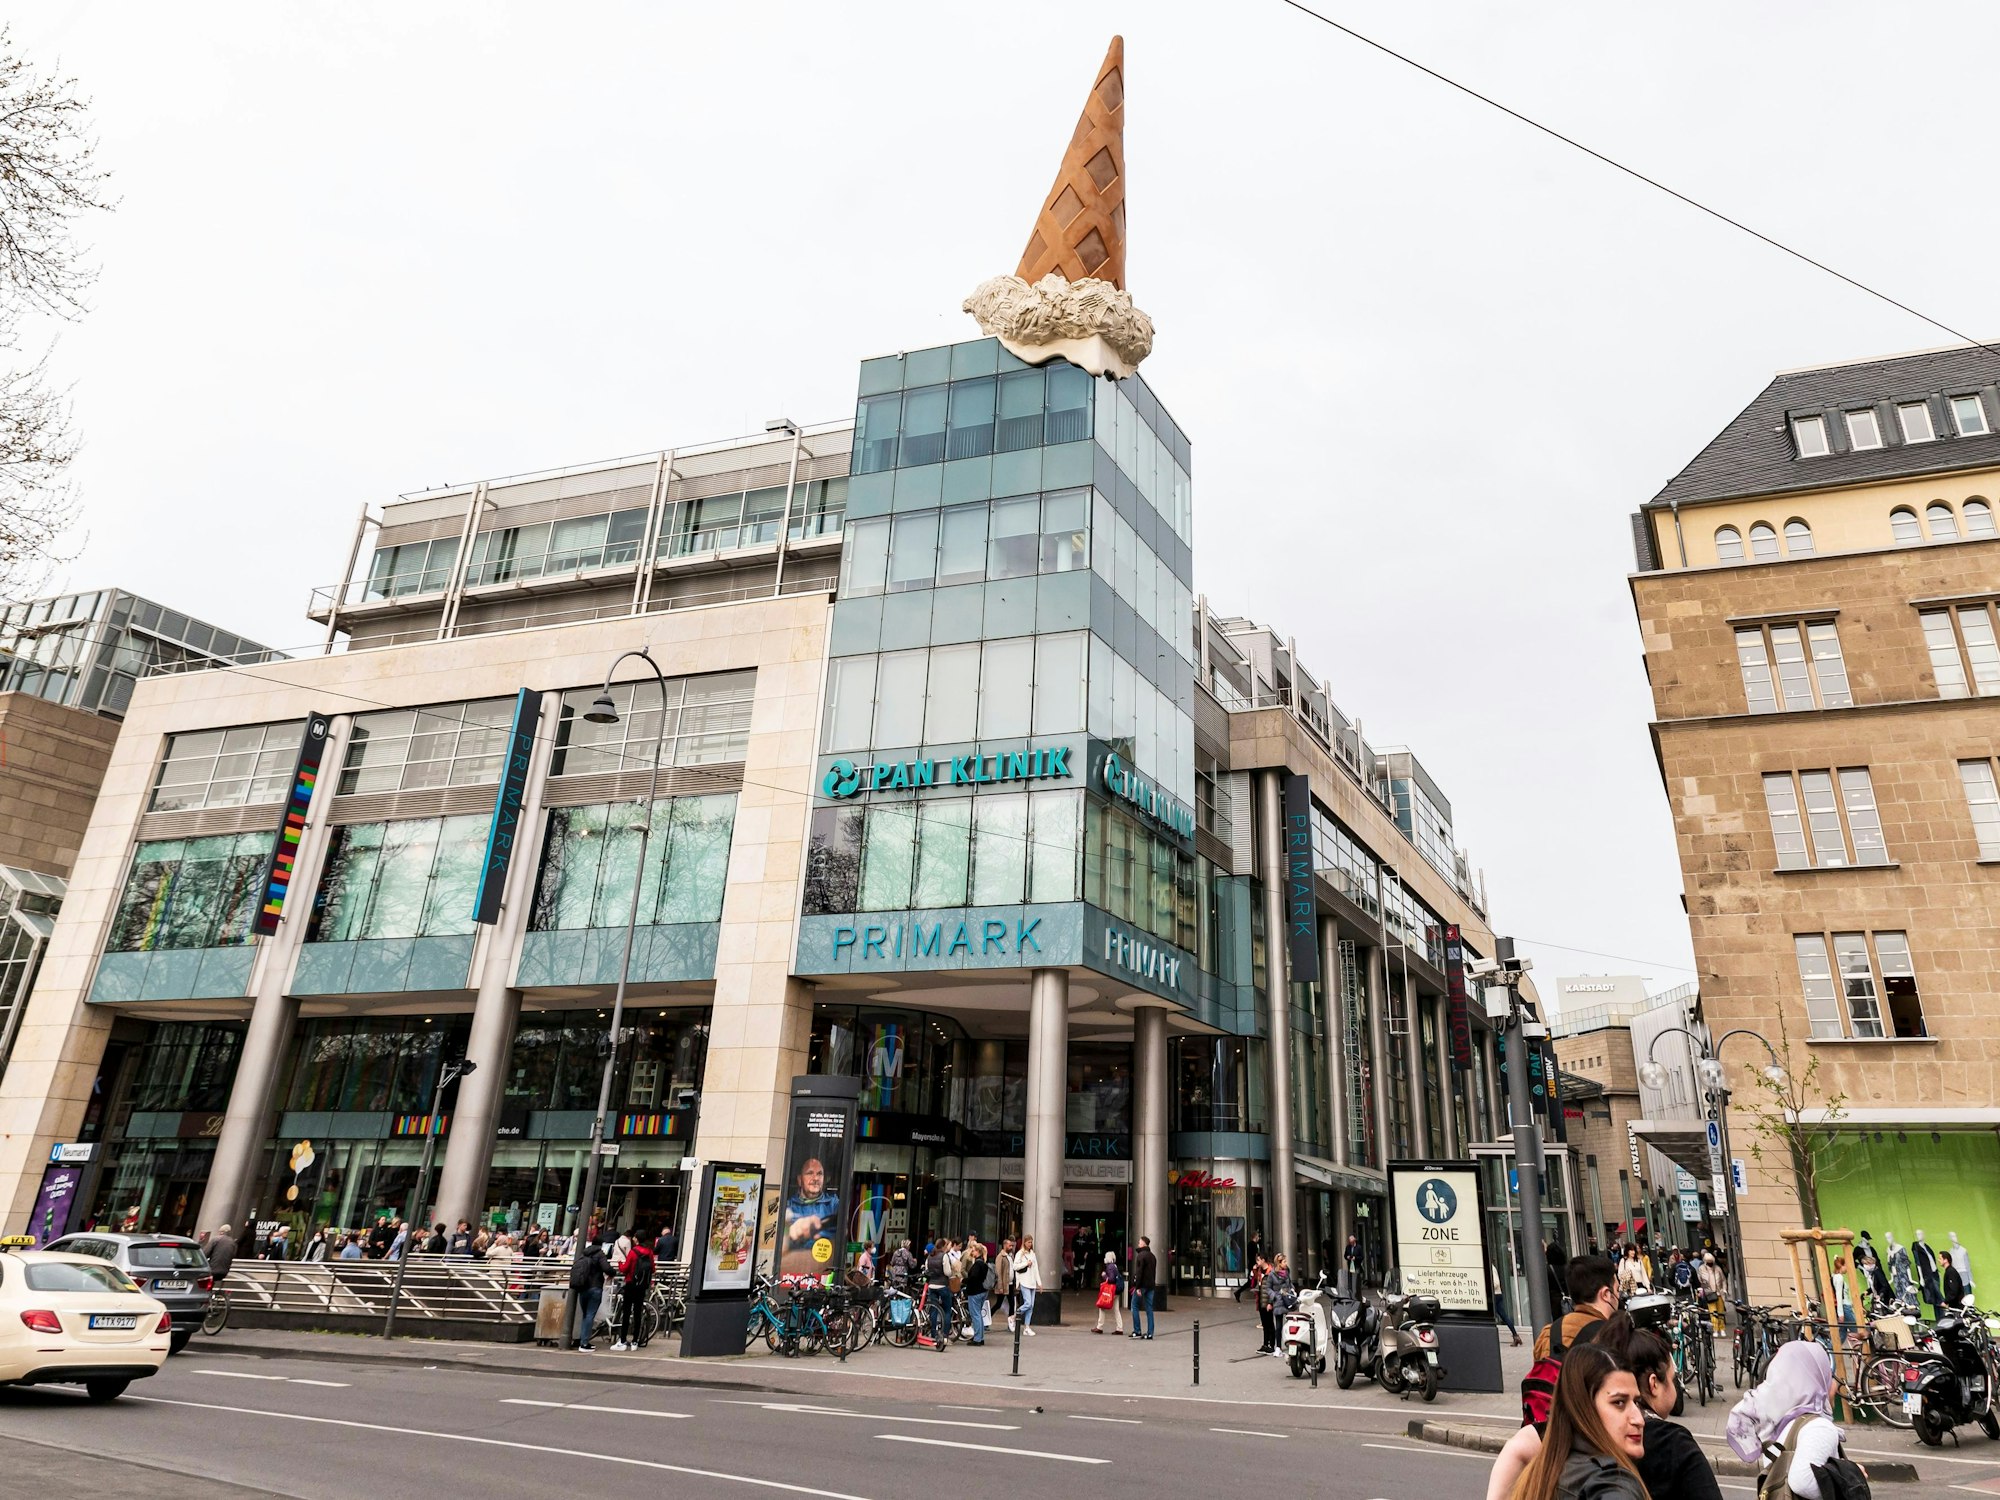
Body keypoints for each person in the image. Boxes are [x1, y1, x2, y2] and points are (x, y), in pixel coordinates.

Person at [1504, 1344, 1649, 1500]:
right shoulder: (1612, 1482)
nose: (1639, 1420)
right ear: (1583, 1408)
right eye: (1619, 1402)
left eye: (1637, 1403)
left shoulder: (1543, 1473)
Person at [1726, 1341, 1855, 1500]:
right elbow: (1802, 1483)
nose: (1835, 1384)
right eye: (1828, 1375)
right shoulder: (1819, 1428)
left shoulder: (1779, 1424)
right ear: (1816, 1381)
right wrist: (1849, 1479)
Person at [1535, 1254, 1622, 1360]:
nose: (1619, 1296)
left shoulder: (1548, 1334)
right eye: (1617, 1290)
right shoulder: (1615, 1337)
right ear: (1606, 1294)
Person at [613, 1230, 655, 1351]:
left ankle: (622, 1341)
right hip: (642, 1286)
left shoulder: (633, 1252)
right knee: (638, 1312)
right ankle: (635, 1342)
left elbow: (625, 1269)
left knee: (626, 1312)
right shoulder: (649, 1252)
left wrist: (620, 1263)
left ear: (636, 1239)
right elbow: (652, 1269)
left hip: (631, 1284)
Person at [570, 1234, 611, 1352]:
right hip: (595, 1287)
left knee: (585, 1315)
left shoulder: (584, 1253)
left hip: (583, 1287)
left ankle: (582, 1340)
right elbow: (606, 1268)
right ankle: (584, 1343)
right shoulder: (600, 1254)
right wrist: (613, 1273)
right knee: (590, 1315)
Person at [1262, 1253, 1296, 1357]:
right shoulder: (1272, 1274)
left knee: (1292, 1323)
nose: (1286, 1263)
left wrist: (1293, 1290)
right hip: (1278, 1301)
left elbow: (1289, 1283)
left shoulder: (1287, 1271)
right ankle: (1278, 1347)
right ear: (1279, 1263)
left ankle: (1292, 1345)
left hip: (1288, 1300)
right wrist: (1274, 1297)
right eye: (1284, 1261)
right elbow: (1268, 1288)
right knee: (1279, 1325)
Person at [923, 1239, 952, 1349]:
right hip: (942, 1285)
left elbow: (927, 1269)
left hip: (932, 1286)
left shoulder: (930, 1256)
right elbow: (947, 1272)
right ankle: (944, 1335)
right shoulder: (944, 1256)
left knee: (933, 1310)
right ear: (944, 1246)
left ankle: (933, 1333)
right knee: (947, 1310)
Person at [963, 1241, 991, 1346]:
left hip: (975, 1291)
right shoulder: (983, 1263)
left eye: (973, 1250)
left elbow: (973, 1277)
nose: (972, 1252)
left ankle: (978, 1338)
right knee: (978, 1314)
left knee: (975, 1315)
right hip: (982, 1290)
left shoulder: (977, 1264)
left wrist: (964, 1280)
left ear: (978, 1251)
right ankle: (980, 1337)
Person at [1013, 1234, 1041, 1335]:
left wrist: (1039, 1282)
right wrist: (1026, 1264)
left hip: (1032, 1282)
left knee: (1031, 1306)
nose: (1030, 1244)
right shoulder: (1019, 1254)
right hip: (1024, 1281)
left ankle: (1027, 1327)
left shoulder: (1033, 1254)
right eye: (1028, 1242)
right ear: (1024, 1242)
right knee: (1028, 1303)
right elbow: (1015, 1266)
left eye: (1031, 1242)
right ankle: (1014, 1316)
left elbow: (1036, 1269)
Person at [1130, 1235, 1158, 1340]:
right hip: (1151, 1285)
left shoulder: (1141, 1256)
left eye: (1139, 1242)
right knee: (1149, 1309)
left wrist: (1137, 1287)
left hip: (1142, 1285)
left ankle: (1137, 1330)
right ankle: (1150, 1333)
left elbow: (1139, 1272)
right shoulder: (1152, 1256)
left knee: (1134, 1306)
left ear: (1143, 1243)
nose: (1138, 1243)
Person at [1094, 1249, 1125, 1335]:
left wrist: (1104, 1276)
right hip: (1116, 1291)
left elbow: (1111, 1279)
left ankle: (1099, 1327)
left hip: (1111, 1291)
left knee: (1102, 1306)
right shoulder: (1114, 1266)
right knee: (1116, 1309)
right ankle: (1120, 1328)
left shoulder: (1110, 1267)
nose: (1104, 1258)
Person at [1493, 1259, 1523, 1347]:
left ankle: (1515, 1336)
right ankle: (1516, 1336)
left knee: (1494, 1318)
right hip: (1497, 1294)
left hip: (1495, 1295)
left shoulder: (1490, 1268)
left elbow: (1496, 1283)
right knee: (1504, 1316)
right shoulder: (1492, 1267)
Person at [994, 1238, 1016, 1325]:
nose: (1011, 1247)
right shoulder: (1000, 1256)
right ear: (1005, 1245)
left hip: (1010, 1284)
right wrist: (1000, 1286)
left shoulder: (1010, 1256)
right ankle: (986, 1321)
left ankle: (1011, 1322)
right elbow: (999, 1272)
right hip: (1003, 1284)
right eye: (1009, 1245)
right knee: (998, 1304)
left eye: (1012, 1245)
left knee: (1012, 1303)